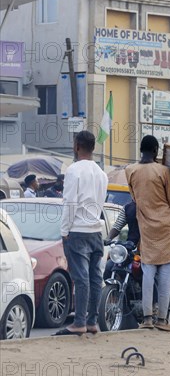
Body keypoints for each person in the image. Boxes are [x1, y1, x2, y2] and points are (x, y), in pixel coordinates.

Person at [125, 135, 170, 332]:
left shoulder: (129, 170)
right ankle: (162, 320)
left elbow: (135, 198)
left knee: (148, 273)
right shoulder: (163, 170)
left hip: (147, 228)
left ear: (141, 149)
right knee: (165, 275)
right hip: (168, 227)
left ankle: (147, 319)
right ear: (156, 150)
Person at [54, 131, 108, 336]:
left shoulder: (73, 171)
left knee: (81, 278)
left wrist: (64, 230)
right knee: (95, 278)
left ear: (77, 146)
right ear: (92, 147)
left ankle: (79, 322)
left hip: (77, 230)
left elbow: (69, 203)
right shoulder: (101, 173)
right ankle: (92, 321)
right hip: (96, 230)